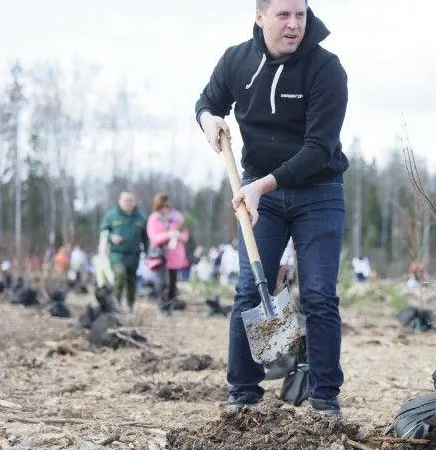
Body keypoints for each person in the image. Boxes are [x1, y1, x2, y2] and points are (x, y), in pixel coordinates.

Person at [194, 0, 349, 416]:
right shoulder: (236, 62)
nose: (294, 24)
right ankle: (242, 394)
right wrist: (208, 119)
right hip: (259, 192)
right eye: (283, 15)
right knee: (250, 289)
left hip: (318, 190)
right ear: (260, 17)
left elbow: (320, 148)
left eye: (300, 14)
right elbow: (208, 102)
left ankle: (324, 398)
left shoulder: (326, 69)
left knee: (318, 294)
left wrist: (262, 185)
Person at [99, 192, 148, 312]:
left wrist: (147, 253)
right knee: (119, 275)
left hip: (134, 254)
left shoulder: (141, 217)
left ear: (134, 202)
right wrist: (111, 237)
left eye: (131, 200)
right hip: (117, 253)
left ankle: (130, 304)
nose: (128, 203)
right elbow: (104, 231)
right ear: (120, 201)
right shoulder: (111, 215)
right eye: (126, 200)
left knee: (131, 280)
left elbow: (145, 237)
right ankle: (116, 302)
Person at [145, 193, 190, 316]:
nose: (166, 208)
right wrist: (168, 234)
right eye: (163, 205)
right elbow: (153, 238)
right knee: (161, 283)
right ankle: (162, 307)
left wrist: (178, 235)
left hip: (175, 255)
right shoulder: (154, 218)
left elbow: (185, 236)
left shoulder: (178, 217)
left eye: (167, 205)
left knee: (173, 284)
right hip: (159, 255)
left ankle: (170, 307)